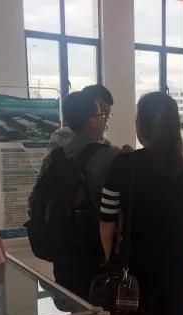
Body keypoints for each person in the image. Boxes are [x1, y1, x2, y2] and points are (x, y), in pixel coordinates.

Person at [98, 92, 183, 315]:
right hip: (175, 269)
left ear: (141, 125)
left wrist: (110, 259)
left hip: (133, 268)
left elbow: (107, 221)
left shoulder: (123, 165)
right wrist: (178, 259)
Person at [42, 91, 119, 298]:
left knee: (71, 297)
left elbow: (38, 196)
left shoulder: (57, 155)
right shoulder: (109, 157)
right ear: (91, 121)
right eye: (102, 115)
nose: (105, 120)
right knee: (96, 299)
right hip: (93, 245)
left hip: (63, 241)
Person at [49, 84, 118, 151]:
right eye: (101, 112)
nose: (105, 119)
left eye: (107, 114)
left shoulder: (101, 141)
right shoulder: (61, 136)